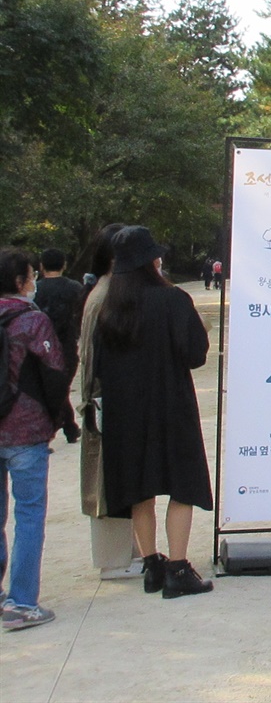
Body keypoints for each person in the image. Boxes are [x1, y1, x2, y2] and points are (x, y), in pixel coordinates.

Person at [95, 225, 214, 599]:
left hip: (125, 413)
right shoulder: (174, 301)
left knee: (139, 488)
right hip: (170, 405)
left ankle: (152, 565)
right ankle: (179, 568)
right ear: (151, 262)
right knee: (182, 483)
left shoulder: (108, 310)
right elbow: (195, 355)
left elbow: (99, 366)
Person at [0, 247, 71, 631]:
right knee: (28, 514)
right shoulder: (31, 321)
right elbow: (54, 372)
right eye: (31, 275)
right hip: (25, 429)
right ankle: (22, 602)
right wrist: (57, 416)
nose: (34, 281)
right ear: (19, 281)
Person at [77, 223, 141, 580]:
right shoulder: (104, 298)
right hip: (104, 403)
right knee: (105, 482)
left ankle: (126, 553)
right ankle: (115, 558)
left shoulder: (106, 292)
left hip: (108, 401)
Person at [34, 248, 85, 380]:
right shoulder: (76, 288)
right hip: (68, 344)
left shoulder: (35, 289)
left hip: (41, 346)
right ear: (64, 264)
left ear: (41, 266)